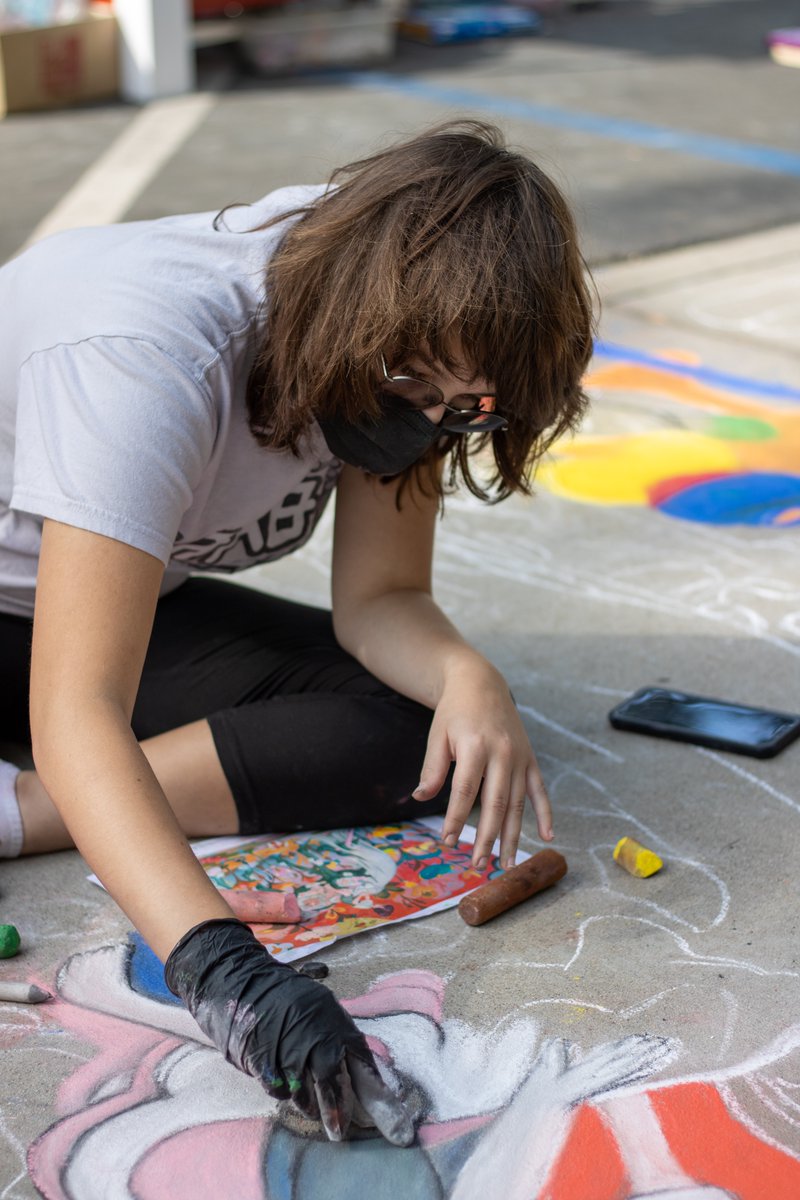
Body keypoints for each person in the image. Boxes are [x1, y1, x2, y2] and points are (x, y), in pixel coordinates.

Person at [0, 121, 593, 1144]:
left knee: (421, 734)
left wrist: (466, 676)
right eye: (414, 389)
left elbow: (381, 598)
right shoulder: (151, 356)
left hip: (53, 599)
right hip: (26, 621)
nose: (428, 422)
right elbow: (77, 704)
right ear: (355, 316)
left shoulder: (415, 326)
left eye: (465, 409)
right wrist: (226, 974)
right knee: (90, 731)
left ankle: (29, 807)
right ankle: (32, 812)